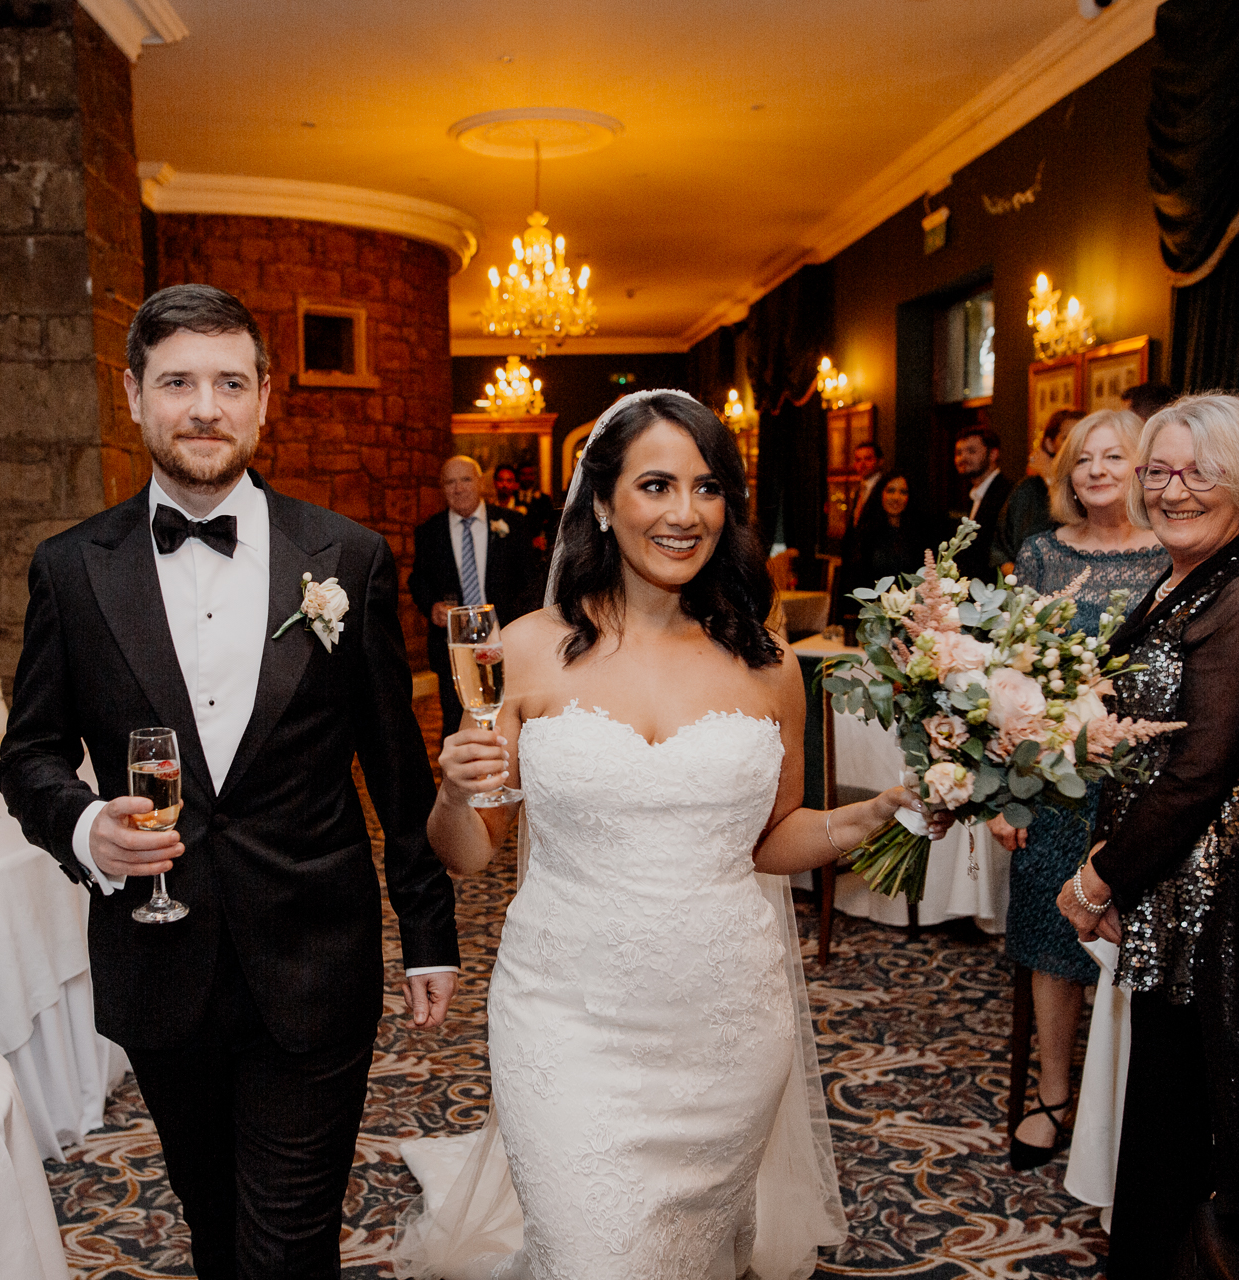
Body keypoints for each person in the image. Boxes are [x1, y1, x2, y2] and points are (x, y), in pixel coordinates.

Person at [393, 389, 923, 1279]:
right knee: (587, 1251)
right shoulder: (521, 649)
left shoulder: (769, 664)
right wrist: (452, 792)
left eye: (707, 488)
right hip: (564, 1015)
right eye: (656, 485)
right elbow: (468, 851)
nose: (685, 513)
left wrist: (869, 817)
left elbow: (772, 838)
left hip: (724, 1022)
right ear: (601, 502)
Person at [0, 283, 461, 1280]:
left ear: (262, 401)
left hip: (314, 957)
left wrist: (428, 933)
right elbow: (27, 753)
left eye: (228, 382)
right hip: (159, 958)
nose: (204, 405)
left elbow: (396, 762)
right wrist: (86, 828)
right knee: (216, 1226)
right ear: (132, 395)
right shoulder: (71, 569)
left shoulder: (350, 558)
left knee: (284, 1246)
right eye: (177, 381)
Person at [1054, 394, 1239, 1279]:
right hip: (1166, 894)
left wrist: (1098, 881)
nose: (1173, 489)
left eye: (1199, 471)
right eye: (1157, 471)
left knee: (1179, 1131)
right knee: (1158, 1119)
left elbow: (1198, 774)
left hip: (1213, 911)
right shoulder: (1182, 580)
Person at [984, 409, 1166, 1171]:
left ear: (1144, 466)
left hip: (1149, 779)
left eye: (1112, 456)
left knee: (1143, 944)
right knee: (1051, 940)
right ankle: (1054, 1095)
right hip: (1053, 781)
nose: (1094, 469)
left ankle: (1134, 1106)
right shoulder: (1041, 552)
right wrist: (1006, 790)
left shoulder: (1173, 553)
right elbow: (1009, 670)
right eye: (1081, 458)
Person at [409, 456, 537, 737]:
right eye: (450, 482)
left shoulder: (512, 525)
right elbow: (418, 580)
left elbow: (530, 582)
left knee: (512, 718)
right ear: (442, 489)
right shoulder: (429, 532)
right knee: (457, 723)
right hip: (453, 649)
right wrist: (432, 606)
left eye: (465, 479)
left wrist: (520, 631)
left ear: (480, 482)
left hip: (507, 642)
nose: (458, 488)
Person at [835, 471, 935, 631]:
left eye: (903, 492)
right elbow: (852, 582)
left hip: (913, 622)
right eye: (890, 491)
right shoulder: (865, 534)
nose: (896, 497)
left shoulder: (921, 536)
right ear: (880, 495)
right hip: (873, 621)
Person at [987, 408, 1077, 575]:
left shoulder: (1094, 491)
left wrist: (1051, 479)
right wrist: (1021, 579)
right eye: (1067, 438)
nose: (1075, 446)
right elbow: (999, 548)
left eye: (1081, 439)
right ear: (1050, 444)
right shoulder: (1028, 490)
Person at [951, 425, 1012, 583]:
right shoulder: (968, 496)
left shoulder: (1008, 494)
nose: (962, 458)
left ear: (993, 454)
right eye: (958, 453)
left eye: (971, 451)